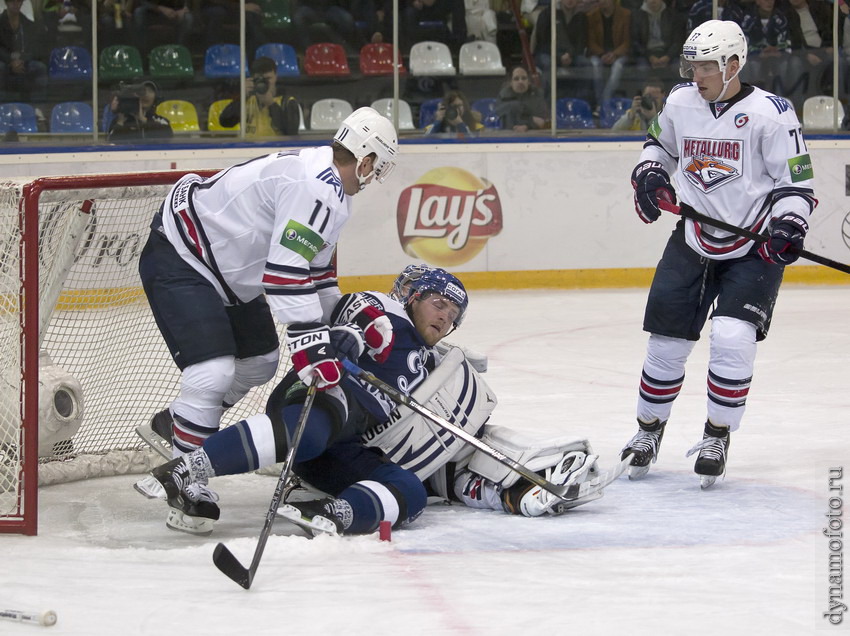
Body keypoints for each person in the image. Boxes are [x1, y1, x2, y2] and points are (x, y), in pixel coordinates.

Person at [146, 266, 607, 535]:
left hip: (348, 442)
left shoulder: (432, 362)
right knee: (316, 429)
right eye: (439, 304)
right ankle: (189, 468)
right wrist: (348, 337)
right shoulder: (381, 307)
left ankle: (332, 514)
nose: (446, 317)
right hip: (317, 394)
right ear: (409, 294)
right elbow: (359, 318)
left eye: (454, 315)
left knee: (408, 491)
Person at [134, 107, 399, 532]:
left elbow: (315, 276)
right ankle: (186, 477)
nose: (374, 179)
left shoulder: (331, 192)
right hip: (183, 254)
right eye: (378, 169)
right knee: (212, 372)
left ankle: (180, 422)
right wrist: (312, 347)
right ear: (366, 160)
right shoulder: (316, 186)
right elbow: (283, 275)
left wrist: (355, 315)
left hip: (231, 271)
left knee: (260, 362)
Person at [621, 20, 816, 488]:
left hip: (754, 246)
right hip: (692, 237)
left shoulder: (773, 113)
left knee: (731, 337)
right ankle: (648, 431)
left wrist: (789, 224)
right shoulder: (681, 101)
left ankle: (717, 434)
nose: (697, 75)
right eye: (693, 65)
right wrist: (650, 174)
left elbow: (796, 182)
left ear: (734, 64)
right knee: (666, 343)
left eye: (707, 65)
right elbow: (659, 145)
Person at [218, 56, 301, 137]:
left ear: (276, 76)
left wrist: (272, 105)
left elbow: (292, 133)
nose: (264, 83)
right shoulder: (247, 100)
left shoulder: (287, 102)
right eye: (259, 80)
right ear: (252, 79)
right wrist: (242, 97)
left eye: (268, 79)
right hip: (248, 148)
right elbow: (225, 122)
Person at [586, 0, 631, 111]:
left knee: (618, 67)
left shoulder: (626, 14)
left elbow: (627, 41)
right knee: (595, 65)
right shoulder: (591, 16)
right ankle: (600, 101)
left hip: (619, 53)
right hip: (599, 53)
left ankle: (604, 101)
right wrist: (601, 54)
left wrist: (615, 54)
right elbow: (590, 42)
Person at [0, 0, 47, 103]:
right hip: (5, 60)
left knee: (40, 68)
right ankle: (2, 107)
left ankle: (38, 107)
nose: (16, 4)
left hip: (23, 60)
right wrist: (10, 61)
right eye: (13, 2)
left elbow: (35, 47)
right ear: (7, 3)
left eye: (18, 2)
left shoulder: (28, 24)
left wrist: (22, 60)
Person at [107, 80, 174, 141]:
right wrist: (120, 122)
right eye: (142, 91)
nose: (146, 95)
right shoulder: (120, 120)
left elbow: (167, 136)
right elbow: (111, 143)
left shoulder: (160, 121)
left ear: (155, 97)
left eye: (150, 91)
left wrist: (143, 120)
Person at [495, 65, 549, 132]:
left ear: (528, 81)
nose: (520, 82)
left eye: (524, 78)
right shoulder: (503, 96)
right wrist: (530, 119)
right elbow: (502, 120)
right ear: (511, 83)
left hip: (533, 136)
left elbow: (542, 122)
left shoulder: (537, 94)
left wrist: (527, 126)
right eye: (516, 79)